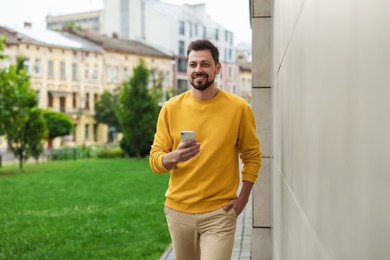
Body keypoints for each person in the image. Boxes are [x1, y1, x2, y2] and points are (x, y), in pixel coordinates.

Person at [149, 39, 261, 260]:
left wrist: (243, 198)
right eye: (193, 65)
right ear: (188, 68)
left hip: (219, 213)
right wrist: (174, 156)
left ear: (217, 68)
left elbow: (252, 155)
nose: (198, 70)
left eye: (205, 64)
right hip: (178, 211)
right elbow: (155, 161)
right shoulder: (171, 108)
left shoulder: (239, 108)